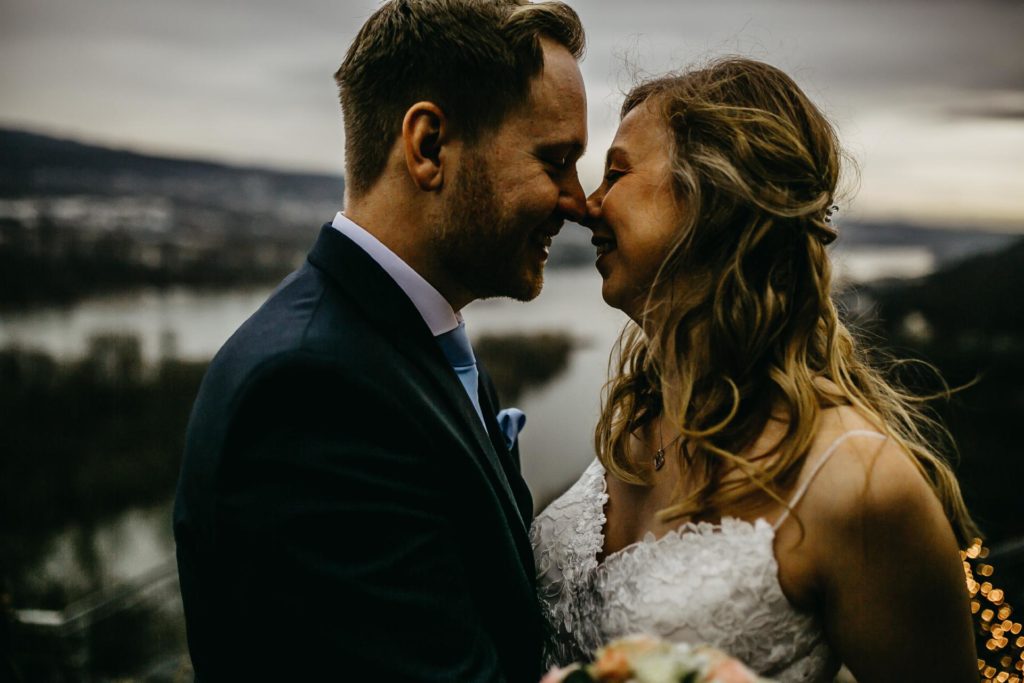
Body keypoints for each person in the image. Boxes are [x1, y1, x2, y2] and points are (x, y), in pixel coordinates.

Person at [173, 1, 587, 679]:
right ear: (428, 146)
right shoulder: (310, 394)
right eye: (556, 160)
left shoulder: (408, 338)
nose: (577, 200)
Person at [531, 58, 979, 682]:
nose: (589, 205)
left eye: (616, 173)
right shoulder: (637, 424)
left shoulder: (860, 486)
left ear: (713, 197)